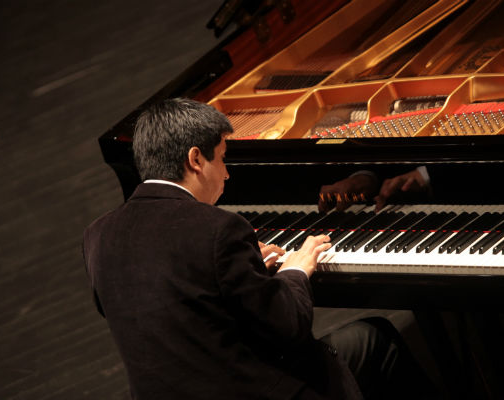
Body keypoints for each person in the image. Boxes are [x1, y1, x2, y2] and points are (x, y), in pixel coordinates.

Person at [83, 98, 436, 399]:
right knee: (376, 337)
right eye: (221, 159)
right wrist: (295, 270)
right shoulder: (219, 228)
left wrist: (239, 275)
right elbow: (289, 326)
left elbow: (168, 304)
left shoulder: (98, 236)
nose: (227, 174)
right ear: (195, 160)